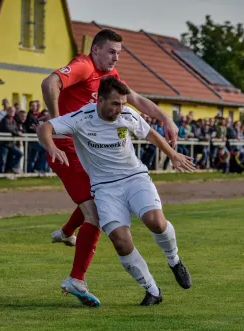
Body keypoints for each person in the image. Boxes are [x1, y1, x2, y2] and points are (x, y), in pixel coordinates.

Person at [40, 29, 179, 306]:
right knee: (94, 213)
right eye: (112, 52)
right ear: (96, 50)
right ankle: (76, 278)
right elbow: (49, 84)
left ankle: (68, 232)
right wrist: (58, 127)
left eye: (119, 53)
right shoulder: (84, 65)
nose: (116, 58)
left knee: (96, 201)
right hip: (68, 150)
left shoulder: (108, 79)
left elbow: (136, 100)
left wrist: (165, 118)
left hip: (86, 153)